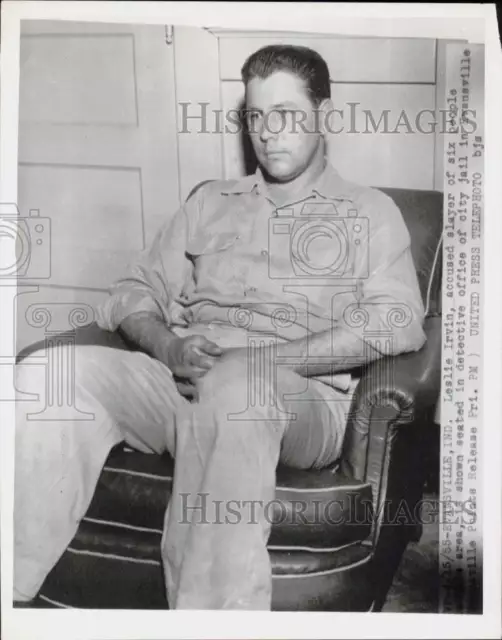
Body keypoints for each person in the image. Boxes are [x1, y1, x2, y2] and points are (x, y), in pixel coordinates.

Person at [14, 44, 426, 610]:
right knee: (48, 373)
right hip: (185, 380)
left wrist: (265, 363)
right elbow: (131, 292)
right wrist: (168, 344)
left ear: (324, 117)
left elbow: (399, 323)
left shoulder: (369, 211)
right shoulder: (210, 202)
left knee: (237, 390)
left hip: (295, 399)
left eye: (286, 114)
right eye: (256, 116)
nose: (267, 133)